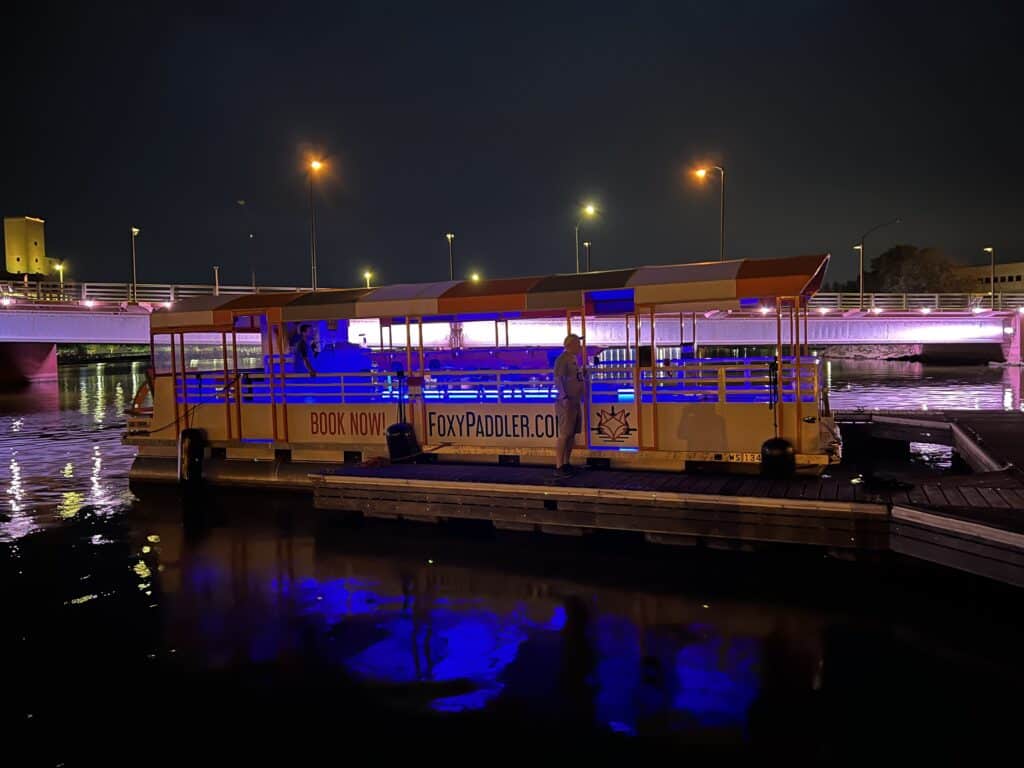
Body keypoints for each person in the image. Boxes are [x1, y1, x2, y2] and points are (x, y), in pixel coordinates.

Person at [553, 333, 585, 478]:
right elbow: (558, 379)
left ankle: (566, 463)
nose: (580, 346)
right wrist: (564, 397)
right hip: (567, 401)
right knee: (565, 433)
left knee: (571, 433)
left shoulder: (573, 359)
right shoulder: (563, 359)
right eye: (578, 344)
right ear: (570, 345)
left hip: (575, 400)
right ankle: (559, 465)